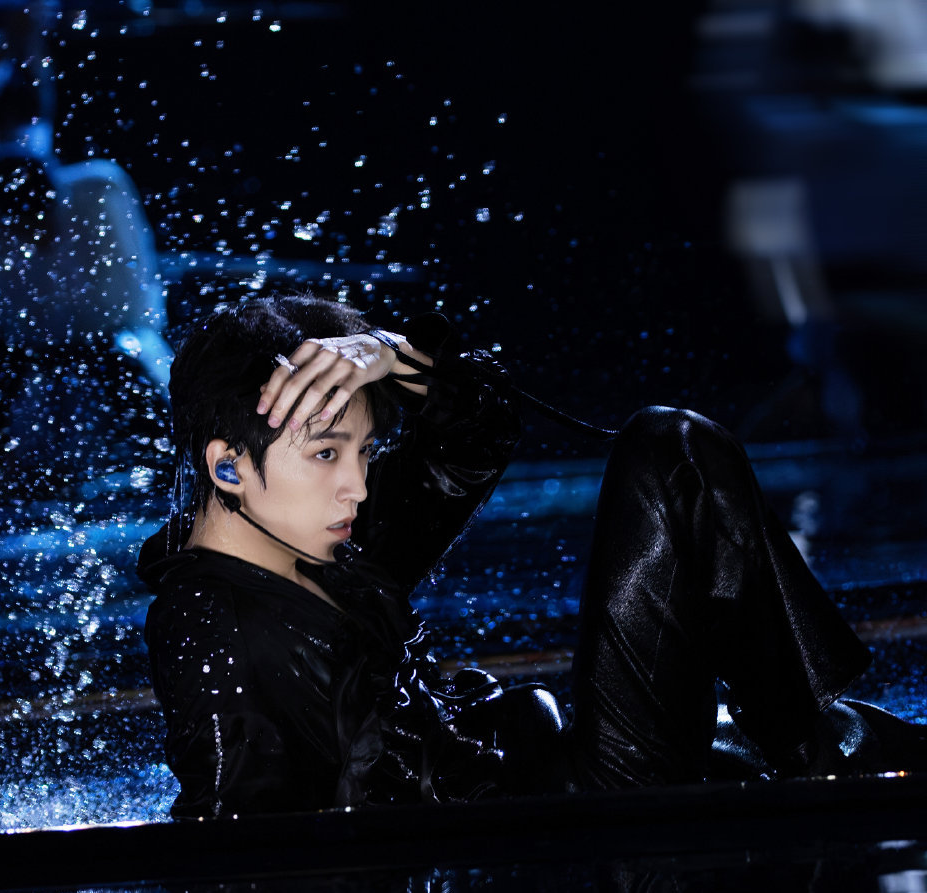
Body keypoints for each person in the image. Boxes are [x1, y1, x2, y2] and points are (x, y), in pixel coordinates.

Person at [139, 292, 927, 819]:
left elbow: (477, 433)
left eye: (366, 451)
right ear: (228, 466)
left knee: (847, 735)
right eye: (325, 453)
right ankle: (812, 770)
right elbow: (231, 840)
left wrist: (388, 352)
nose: (359, 486)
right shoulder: (210, 624)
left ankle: (812, 751)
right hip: (570, 813)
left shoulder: (312, 529)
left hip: (556, 767)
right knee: (672, 451)